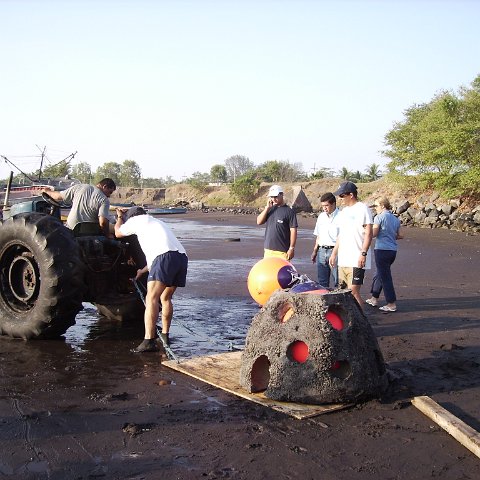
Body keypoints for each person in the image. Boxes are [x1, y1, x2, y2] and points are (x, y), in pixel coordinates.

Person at [114, 206, 188, 353]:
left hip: (164, 258)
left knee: (151, 299)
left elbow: (117, 233)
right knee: (165, 298)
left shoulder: (136, 221)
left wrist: (120, 217)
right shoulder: (156, 222)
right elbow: (160, 255)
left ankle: (149, 340)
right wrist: (141, 271)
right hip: (181, 257)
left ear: (132, 217)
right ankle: (165, 336)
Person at [329, 181, 373, 310]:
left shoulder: (362, 209)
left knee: (353, 292)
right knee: (343, 292)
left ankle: (362, 322)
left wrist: (363, 253)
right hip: (343, 258)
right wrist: (334, 253)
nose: (340, 198)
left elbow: (369, 233)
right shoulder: (344, 212)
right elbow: (341, 235)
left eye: (342, 196)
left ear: (351, 195)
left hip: (356, 258)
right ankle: (349, 321)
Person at [365, 197, 403, 312]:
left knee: (385, 276)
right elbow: (400, 235)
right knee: (380, 273)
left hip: (382, 250)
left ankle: (391, 303)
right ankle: (374, 298)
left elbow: (374, 234)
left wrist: (365, 232)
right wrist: (390, 235)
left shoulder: (379, 217)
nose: (375, 208)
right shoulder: (395, 219)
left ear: (382, 205)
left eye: (376, 206)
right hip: (392, 251)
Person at [45, 178, 116, 237]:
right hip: (91, 233)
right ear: (105, 186)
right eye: (109, 192)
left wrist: (47, 191)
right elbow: (103, 222)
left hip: (71, 229)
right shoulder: (104, 199)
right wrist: (108, 235)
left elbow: (58, 196)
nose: (109, 196)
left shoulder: (79, 187)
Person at [256, 185, 298, 260]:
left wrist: (291, 248)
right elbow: (259, 222)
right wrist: (267, 208)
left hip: (282, 251)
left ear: (281, 195)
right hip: (268, 250)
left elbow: (293, 230)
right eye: (271, 197)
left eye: (275, 197)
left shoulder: (289, 211)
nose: (273, 199)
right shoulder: (270, 209)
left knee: (282, 271)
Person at [311, 192, 339, 288]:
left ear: (333, 204)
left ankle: (339, 302)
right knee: (322, 282)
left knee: (338, 280)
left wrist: (335, 253)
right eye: (323, 206)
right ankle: (325, 302)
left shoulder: (341, 216)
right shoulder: (321, 216)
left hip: (335, 250)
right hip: (322, 250)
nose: (324, 208)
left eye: (326, 205)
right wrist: (315, 251)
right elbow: (319, 235)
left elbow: (342, 237)